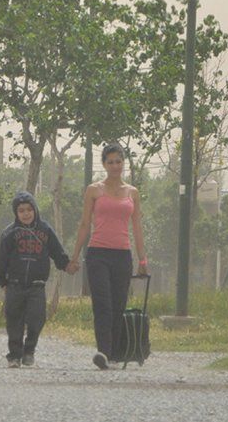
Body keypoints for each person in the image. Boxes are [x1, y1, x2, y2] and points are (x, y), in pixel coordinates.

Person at [67, 143, 148, 370]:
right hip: (97, 253)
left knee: (118, 304)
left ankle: (113, 352)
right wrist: (74, 256)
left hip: (122, 255)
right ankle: (103, 350)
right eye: (110, 162)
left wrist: (142, 260)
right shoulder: (94, 190)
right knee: (102, 303)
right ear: (104, 164)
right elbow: (84, 224)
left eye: (118, 161)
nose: (115, 166)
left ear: (123, 163)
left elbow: (137, 228)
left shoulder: (132, 192)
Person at [0, 191, 71, 368]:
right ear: (16, 213)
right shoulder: (9, 233)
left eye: (29, 209)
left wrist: (66, 265)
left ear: (35, 210)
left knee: (37, 319)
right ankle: (14, 355)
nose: (26, 213)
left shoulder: (45, 231)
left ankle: (29, 350)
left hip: (37, 286)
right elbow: (1, 259)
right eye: (21, 210)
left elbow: (56, 252)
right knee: (14, 321)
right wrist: (2, 281)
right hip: (14, 284)